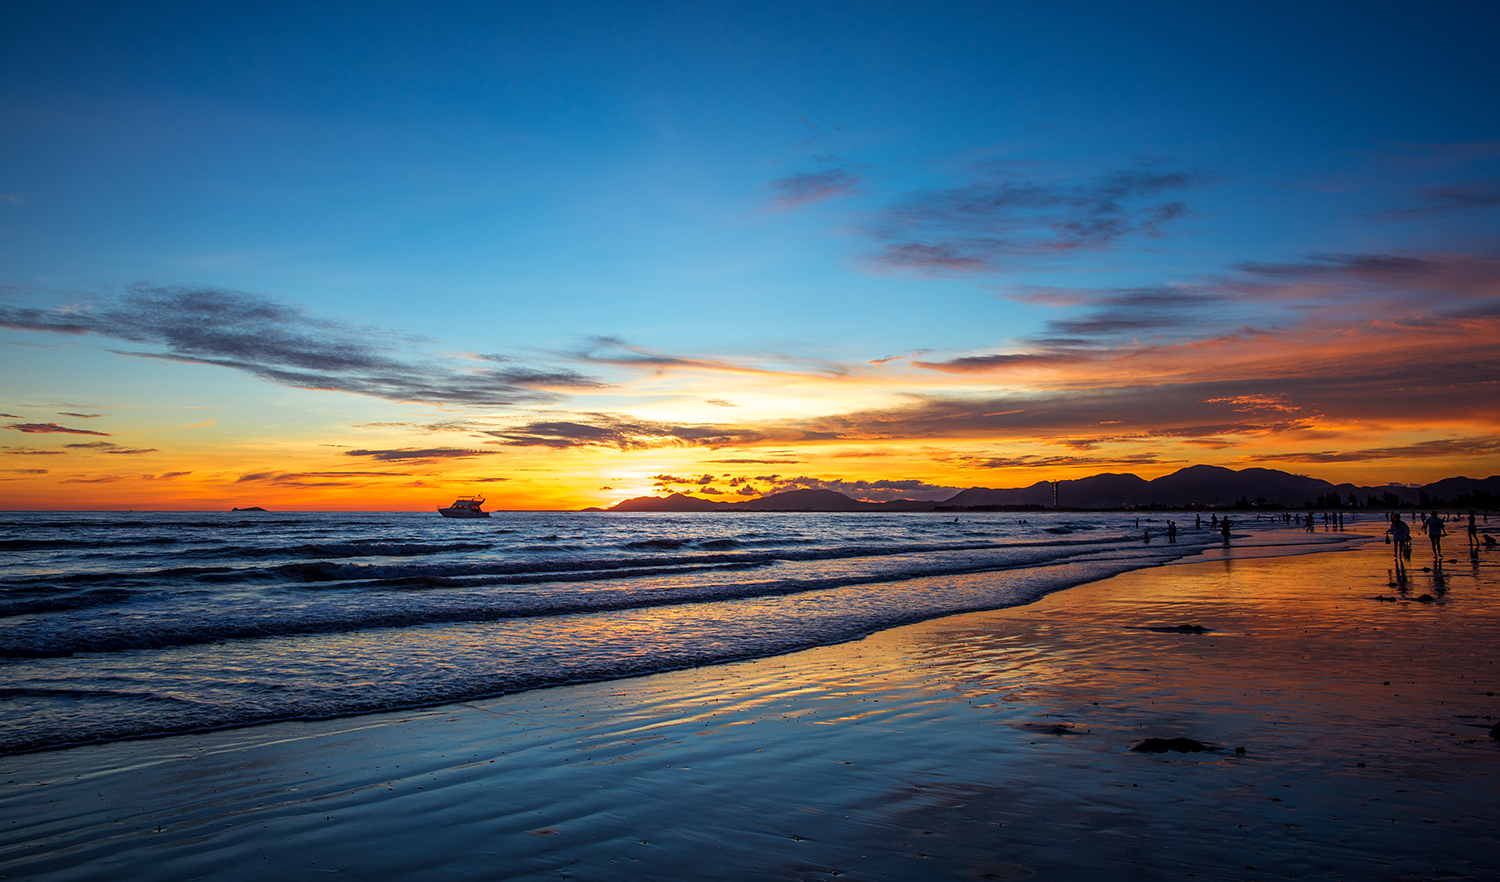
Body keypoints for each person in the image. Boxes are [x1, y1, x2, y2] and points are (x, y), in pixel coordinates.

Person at [1389, 513, 1410, 579]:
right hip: (1396, 535)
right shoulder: (1393, 523)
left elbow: (1406, 529)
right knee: (1395, 545)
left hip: (1401, 535)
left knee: (1400, 545)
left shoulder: (1402, 524)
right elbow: (1391, 528)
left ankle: (1400, 554)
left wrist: (1406, 534)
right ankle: (1396, 554)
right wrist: (1389, 531)